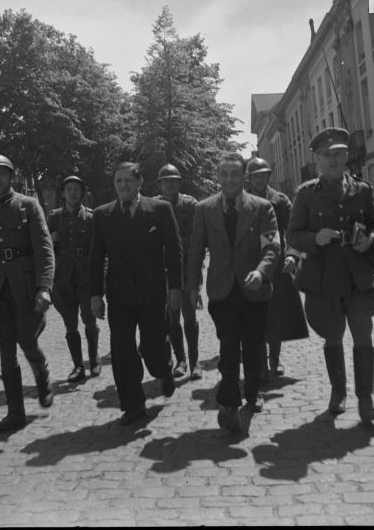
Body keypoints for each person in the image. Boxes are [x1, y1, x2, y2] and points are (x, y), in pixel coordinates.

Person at [287, 128, 374, 423]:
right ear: (317, 160)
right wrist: (315, 238)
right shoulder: (305, 194)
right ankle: (338, 391)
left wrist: (370, 240)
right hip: (325, 278)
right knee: (333, 335)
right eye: (328, 155)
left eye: (339, 154)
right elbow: (293, 235)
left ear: (346, 157)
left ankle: (365, 398)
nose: (334, 160)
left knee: (363, 333)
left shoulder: (362, 190)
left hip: (357, 276)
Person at [187, 153, 280, 432]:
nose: (229, 180)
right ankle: (229, 402)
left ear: (244, 177)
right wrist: (193, 286)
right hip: (222, 290)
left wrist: (262, 272)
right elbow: (195, 251)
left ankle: (251, 396)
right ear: (218, 177)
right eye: (224, 174)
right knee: (228, 346)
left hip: (254, 290)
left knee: (252, 347)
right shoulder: (205, 209)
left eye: (235, 174)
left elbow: (272, 246)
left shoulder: (262, 208)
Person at [0, 154, 55, 432]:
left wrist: (44, 287)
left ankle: (41, 375)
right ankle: (15, 412)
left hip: (25, 286)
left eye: (1, 174)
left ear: (11, 175)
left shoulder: (28, 206)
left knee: (27, 341)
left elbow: (43, 249)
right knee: (6, 348)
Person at [90, 162, 183, 425]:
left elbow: (174, 251)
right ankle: (133, 405)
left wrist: (175, 287)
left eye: (128, 180)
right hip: (119, 295)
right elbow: (95, 257)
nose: (123, 186)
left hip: (153, 292)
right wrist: (96, 295)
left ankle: (163, 370)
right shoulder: (103, 214)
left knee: (153, 347)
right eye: (118, 181)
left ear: (139, 182)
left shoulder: (160, 209)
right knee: (122, 351)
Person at [245, 157, 309, 381]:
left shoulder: (280, 201)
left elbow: (293, 232)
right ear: (249, 178)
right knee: (254, 315)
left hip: (277, 264)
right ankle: (260, 362)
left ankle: (275, 359)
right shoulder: (242, 201)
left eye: (263, 175)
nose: (259, 179)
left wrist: (292, 255)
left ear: (268, 177)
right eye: (255, 175)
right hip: (251, 264)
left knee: (275, 316)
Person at [47, 175, 101, 383]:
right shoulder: (53, 217)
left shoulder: (91, 217)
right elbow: (44, 249)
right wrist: (51, 241)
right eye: (68, 189)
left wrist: (100, 280)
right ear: (63, 193)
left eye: (76, 189)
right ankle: (78, 366)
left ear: (82, 192)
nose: (72, 193)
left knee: (89, 318)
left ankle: (94, 358)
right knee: (70, 323)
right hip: (62, 276)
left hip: (86, 275)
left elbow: (98, 250)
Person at [155, 164, 202, 380]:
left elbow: (198, 237)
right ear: (160, 184)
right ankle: (180, 360)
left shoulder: (190, 204)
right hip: (164, 271)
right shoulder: (154, 206)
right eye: (165, 181)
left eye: (173, 180)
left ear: (179, 183)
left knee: (190, 317)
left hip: (188, 269)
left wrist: (173, 243)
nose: (169, 184)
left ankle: (195, 361)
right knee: (172, 319)